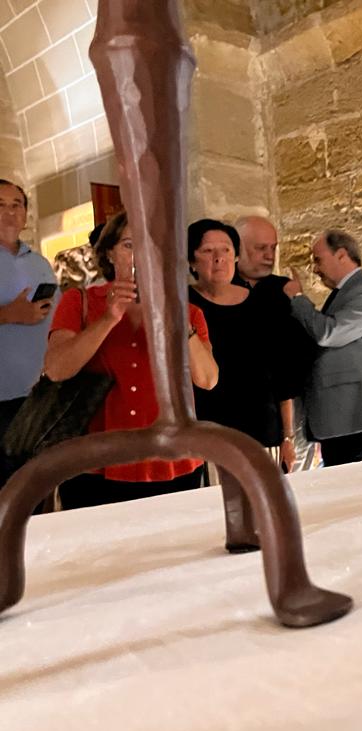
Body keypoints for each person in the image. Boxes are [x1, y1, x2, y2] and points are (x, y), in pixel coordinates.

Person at [45, 211, 219, 508]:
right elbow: (56, 369)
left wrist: (177, 320)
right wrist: (109, 318)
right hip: (95, 466)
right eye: (129, 245)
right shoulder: (80, 302)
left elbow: (207, 380)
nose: (141, 255)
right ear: (110, 252)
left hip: (174, 463)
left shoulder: (187, 312)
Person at [187, 219, 297, 473]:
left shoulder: (262, 305)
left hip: (262, 433)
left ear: (236, 257)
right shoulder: (184, 307)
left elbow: (282, 377)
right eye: (207, 251)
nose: (219, 258)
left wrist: (288, 436)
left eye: (226, 250)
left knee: (264, 509)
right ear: (192, 261)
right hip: (207, 439)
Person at [283, 230, 362, 466]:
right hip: (339, 423)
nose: (315, 269)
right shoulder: (342, 295)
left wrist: (297, 298)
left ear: (342, 255)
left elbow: (328, 333)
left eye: (318, 259)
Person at [235, 215, 317, 470]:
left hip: (288, 411)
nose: (269, 255)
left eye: (273, 247)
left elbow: (301, 357)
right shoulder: (221, 291)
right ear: (238, 248)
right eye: (261, 248)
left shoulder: (285, 291)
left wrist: (291, 433)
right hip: (238, 413)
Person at [0, 180, 57, 486]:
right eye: (0, 204)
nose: (9, 212)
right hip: (0, 400)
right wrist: (8, 314)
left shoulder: (40, 263)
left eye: (16, 204)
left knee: (36, 489)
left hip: (38, 395)